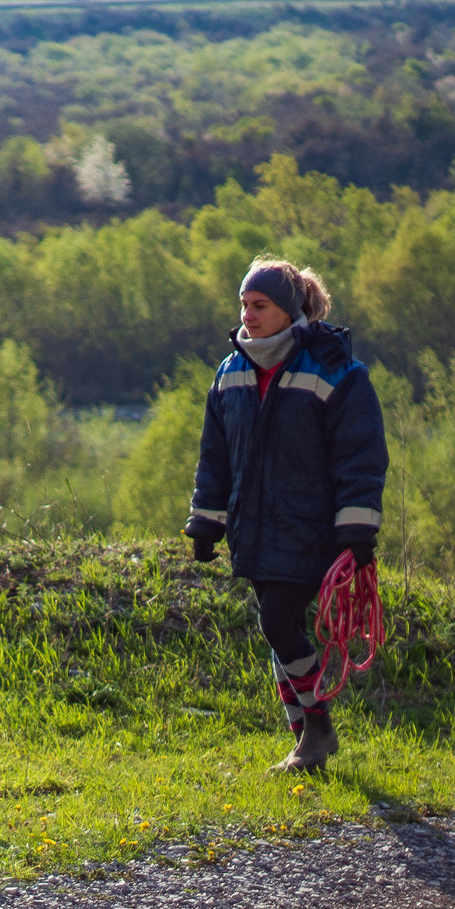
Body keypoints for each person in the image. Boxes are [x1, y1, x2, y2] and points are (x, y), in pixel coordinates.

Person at [182, 257, 388, 773]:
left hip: (312, 529)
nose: (248, 316)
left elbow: (360, 456)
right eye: (244, 305)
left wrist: (358, 531)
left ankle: (316, 731)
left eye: (260, 306)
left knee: (277, 623)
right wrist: (206, 522)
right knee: (279, 626)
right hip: (253, 528)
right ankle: (305, 743)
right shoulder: (229, 374)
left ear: (290, 310)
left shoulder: (337, 371)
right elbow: (215, 457)